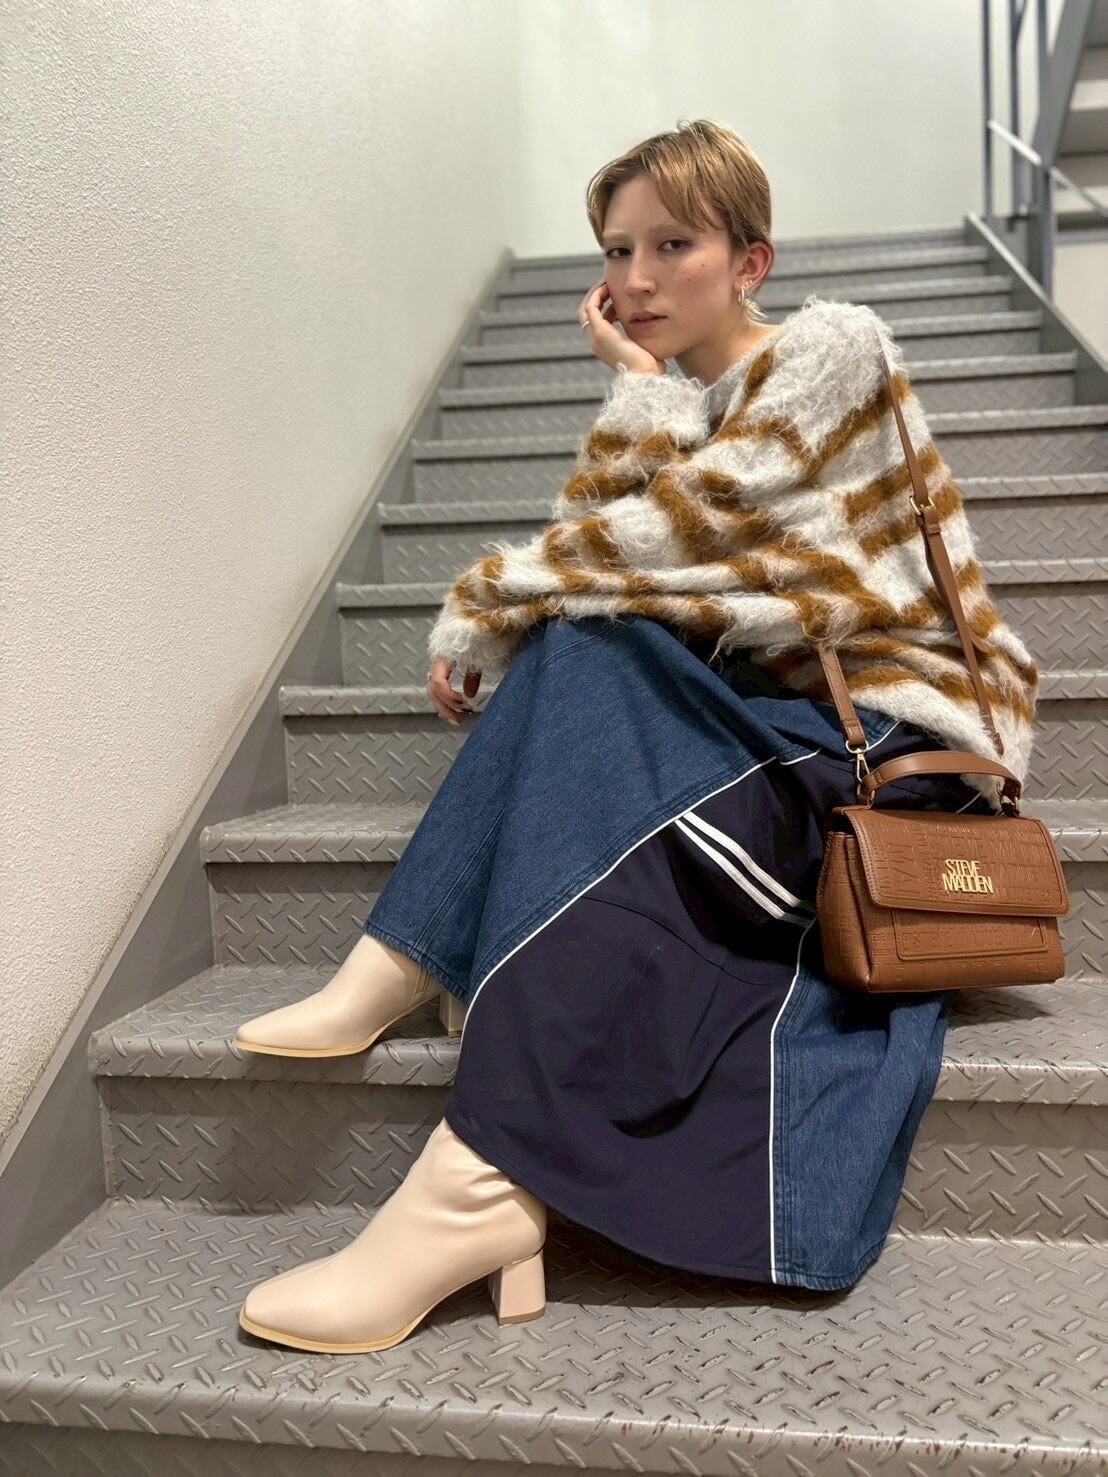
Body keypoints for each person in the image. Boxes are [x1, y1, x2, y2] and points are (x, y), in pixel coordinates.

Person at [234, 121, 1038, 1356]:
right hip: (772, 722)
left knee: (588, 652)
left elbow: (687, 532)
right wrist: (640, 385)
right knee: (584, 646)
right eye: (618, 250)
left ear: (750, 260)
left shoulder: (834, 350)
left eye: (674, 245)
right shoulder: (679, 396)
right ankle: (402, 980)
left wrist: (485, 603)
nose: (638, 277)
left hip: (887, 741)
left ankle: (466, 1172)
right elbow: (610, 534)